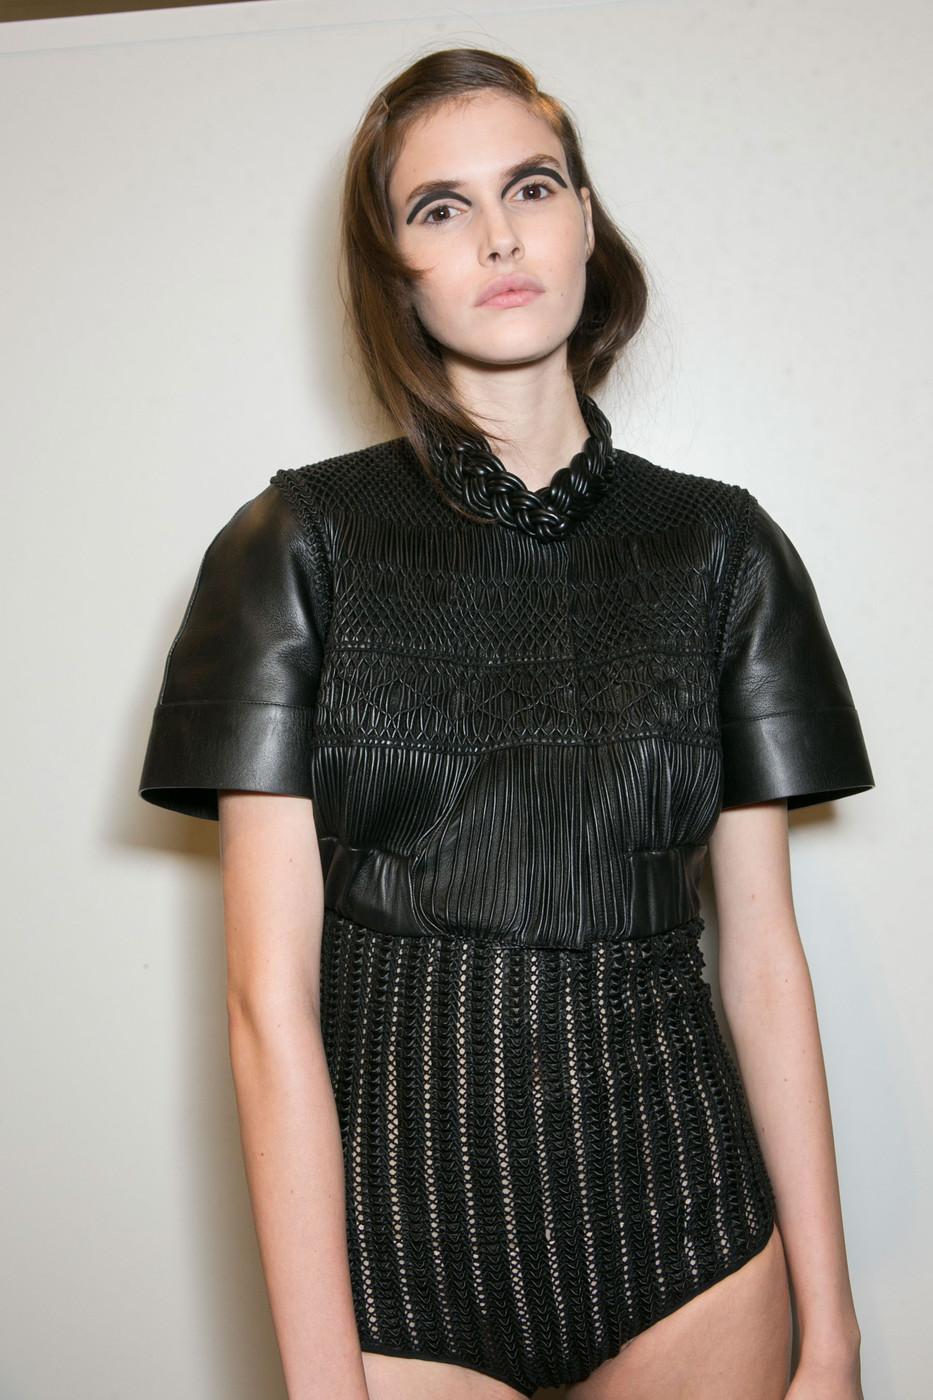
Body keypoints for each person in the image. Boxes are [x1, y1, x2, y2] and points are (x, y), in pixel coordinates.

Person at [139, 47, 873, 1400]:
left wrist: (831, 1336)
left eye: (530, 188)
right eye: (440, 207)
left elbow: (764, 958)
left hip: (697, 1254)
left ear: (585, 218)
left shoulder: (721, 548)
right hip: (394, 1278)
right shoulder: (293, 545)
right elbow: (263, 1008)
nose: (497, 235)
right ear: (396, 270)